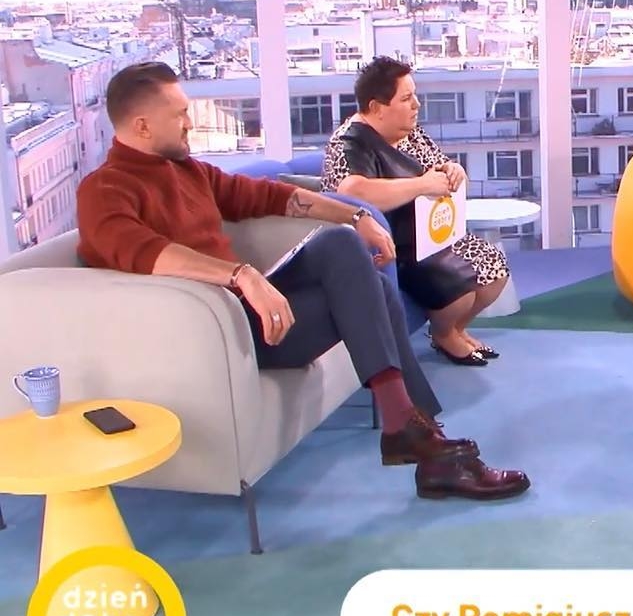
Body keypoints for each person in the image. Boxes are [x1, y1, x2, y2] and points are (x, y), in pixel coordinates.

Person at [75, 61, 530, 501]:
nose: (190, 123)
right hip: (214, 330)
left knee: (342, 246)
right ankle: (426, 446)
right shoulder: (103, 190)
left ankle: (412, 432)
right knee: (367, 291)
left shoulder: (187, 170)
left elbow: (271, 196)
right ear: (142, 126)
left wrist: (355, 216)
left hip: (250, 314)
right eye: (179, 115)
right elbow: (145, 251)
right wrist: (241, 275)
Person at [321, 57, 509, 367]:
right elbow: (353, 193)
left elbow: (438, 164)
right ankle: (445, 334)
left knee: (495, 270)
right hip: (393, 246)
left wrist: (453, 170)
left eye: (415, 96)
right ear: (377, 107)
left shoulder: (409, 132)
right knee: (458, 289)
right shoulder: (350, 143)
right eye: (406, 98)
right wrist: (421, 185)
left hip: (430, 233)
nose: (416, 105)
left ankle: (456, 330)